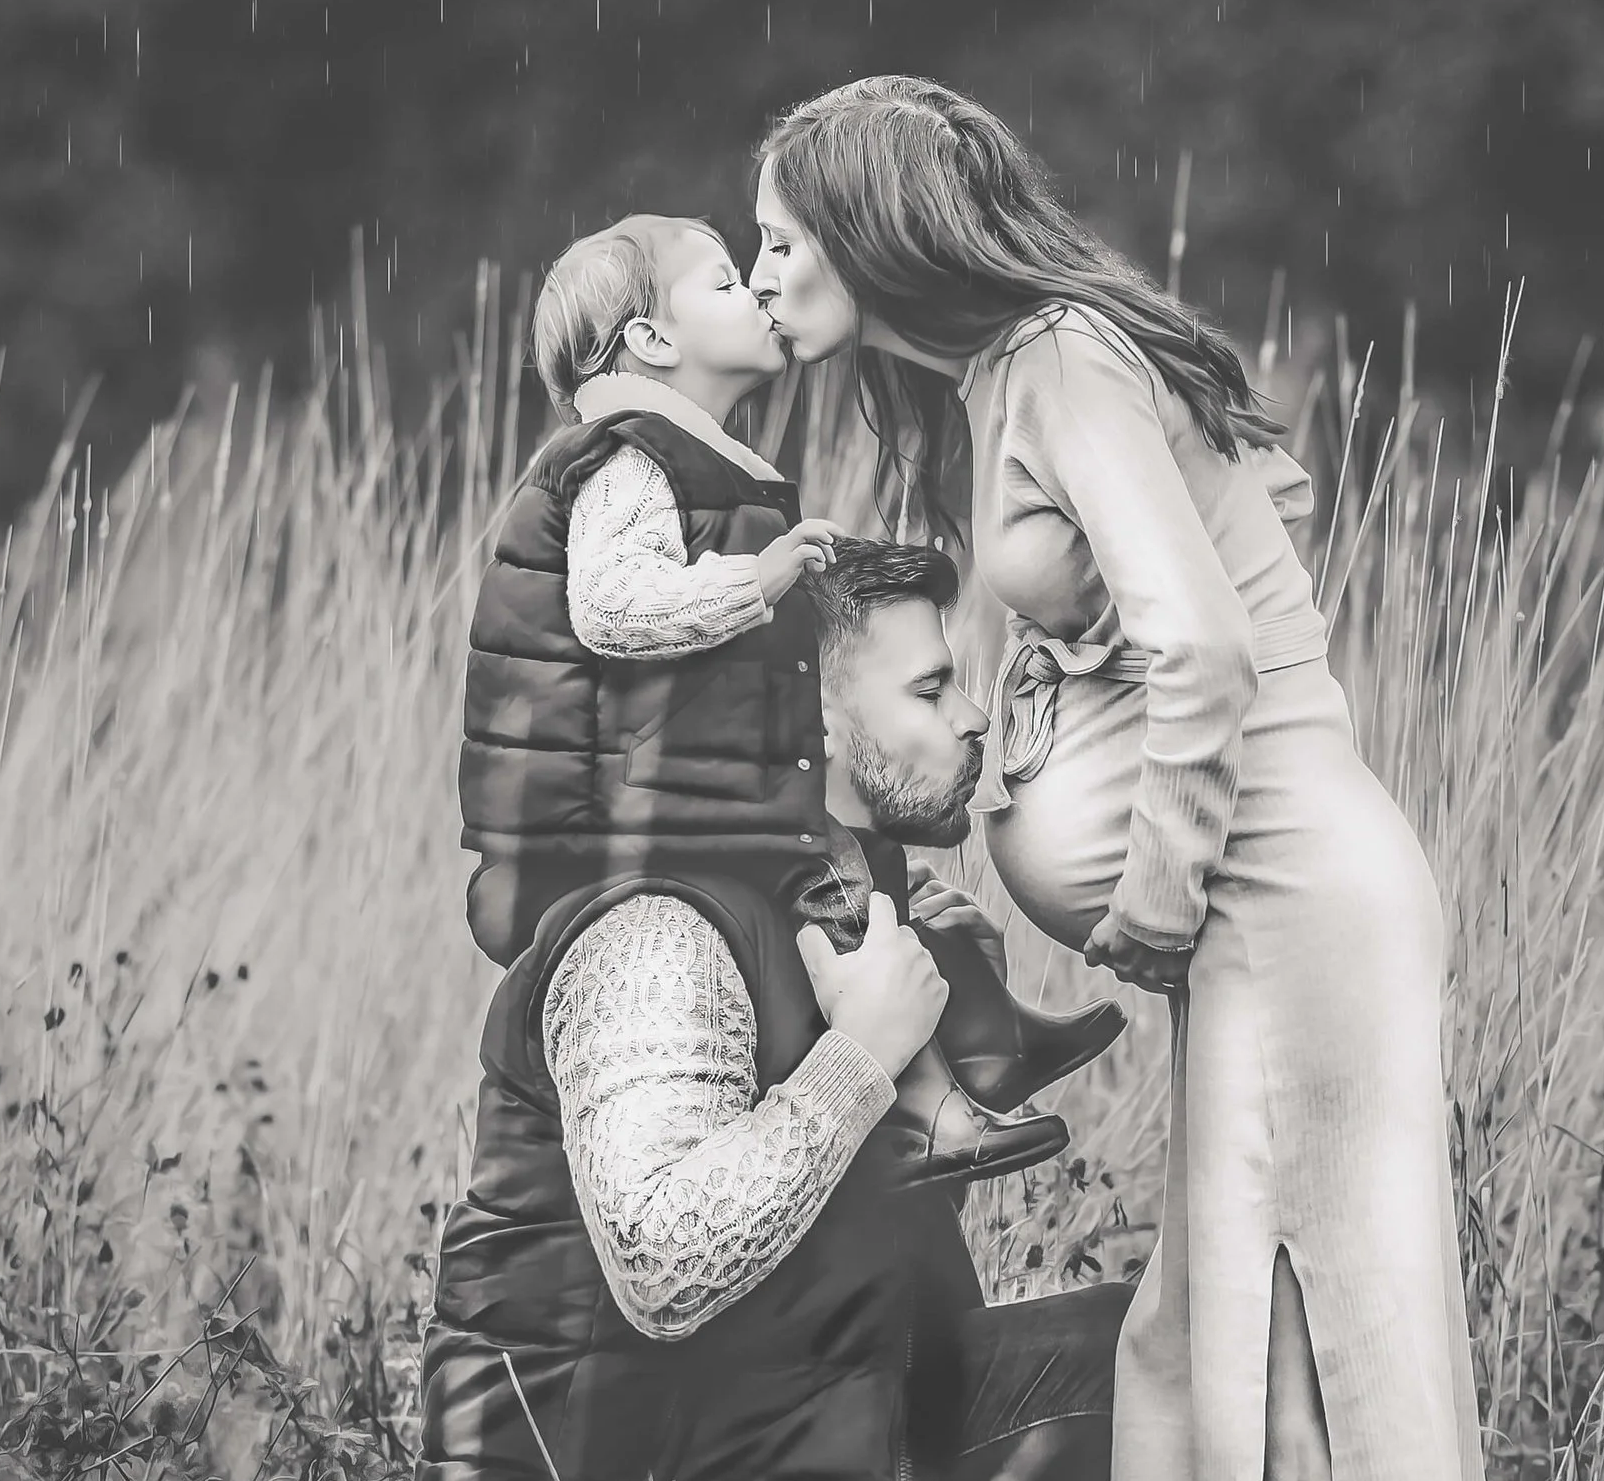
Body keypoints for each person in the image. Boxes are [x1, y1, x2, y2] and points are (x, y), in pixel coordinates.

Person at [750, 77, 1499, 1481]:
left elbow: (1211, 652)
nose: (767, 269)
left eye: (789, 236)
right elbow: (1153, 610)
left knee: (1295, 1341)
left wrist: (1149, 902)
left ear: (879, 230)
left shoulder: (1062, 357)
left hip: (1276, 897)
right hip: (1272, 905)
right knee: (1230, 1344)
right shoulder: (1019, 374)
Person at [412, 541, 1134, 1481]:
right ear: (808, 722)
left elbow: (874, 1244)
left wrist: (956, 1032)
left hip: (812, 1467)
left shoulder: (844, 893)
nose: (970, 721)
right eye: (928, 691)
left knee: (1146, 1350)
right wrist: (858, 1057)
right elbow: (660, 1258)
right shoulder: (657, 930)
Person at [458, 210, 1115, 1178]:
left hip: (667, 790)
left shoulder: (681, 459)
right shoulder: (625, 458)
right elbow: (610, 608)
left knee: (884, 874)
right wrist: (757, 581)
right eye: (725, 282)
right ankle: (927, 1107)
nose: (758, 290)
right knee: (844, 884)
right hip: (605, 821)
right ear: (649, 340)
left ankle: (985, 1043)